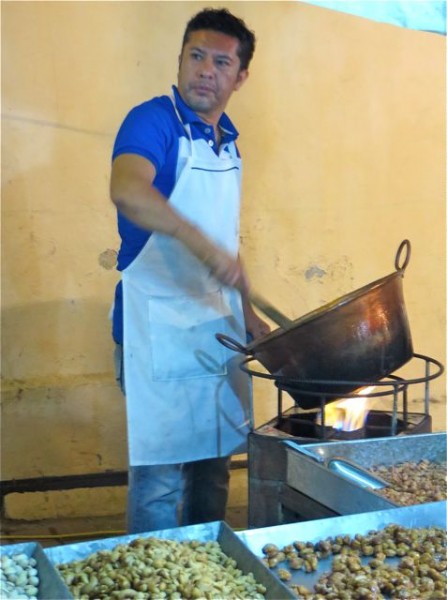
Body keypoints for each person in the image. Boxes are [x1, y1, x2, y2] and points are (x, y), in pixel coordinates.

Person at [110, 7, 270, 534]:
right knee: (160, 478)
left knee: (214, 470)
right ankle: (154, 581)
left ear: (240, 76)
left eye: (221, 62)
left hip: (217, 330)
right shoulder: (154, 121)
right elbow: (129, 189)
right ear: (179, 59)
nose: (206, 70)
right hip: (156, 330)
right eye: (196, 56)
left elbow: (225, 240)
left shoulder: (230, 143)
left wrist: (247, 313)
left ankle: (210, 573)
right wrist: (198, 243)